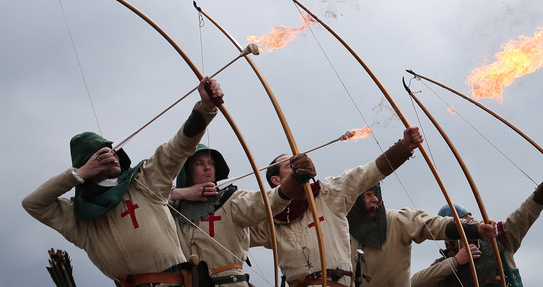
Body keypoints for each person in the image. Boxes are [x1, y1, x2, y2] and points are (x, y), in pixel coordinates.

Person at [22, 77, 224, 286]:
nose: (113, 154)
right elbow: (32, 204)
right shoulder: (79, 217)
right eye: (102, 154)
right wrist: (78, 173)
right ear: (89, 164)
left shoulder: (143, 181)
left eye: (112, 150)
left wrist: (205, 108)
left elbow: (178, 148)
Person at [250, 127, 425, 287]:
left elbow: (365, 174)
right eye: (290, 166)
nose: (297, 166)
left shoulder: (327, 194)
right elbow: (235, 231)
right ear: (276, 180)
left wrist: (403, 148)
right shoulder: (269, 217)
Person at [170, 145, 316, 287]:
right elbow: (150, 193)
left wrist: (294, 180)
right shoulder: (175, 209)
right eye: (199, 163)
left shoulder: (231, 199)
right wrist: (182, 193)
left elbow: (267, 201)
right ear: (187, 172)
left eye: (211, 163)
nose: (208, 167)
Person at [410, 156, 543, 287]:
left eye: (471, 222)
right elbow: (413, 283)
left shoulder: (498, 239)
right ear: (450, 235)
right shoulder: (444, 266)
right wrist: (456, 262)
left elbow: (527, 212)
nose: (472, 225)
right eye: (464, 225)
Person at [347, 182, 497, 286]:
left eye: (376, 193)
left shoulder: (398, 220)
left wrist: (475, 228)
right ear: (356, 202)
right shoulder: (344, 230)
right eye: (367, 195)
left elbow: (432, 224)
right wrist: (454, 261)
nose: (374, 199)